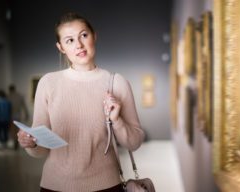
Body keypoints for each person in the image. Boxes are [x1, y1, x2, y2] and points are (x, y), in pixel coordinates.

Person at [17, 12, 145, 192]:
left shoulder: (116, 82)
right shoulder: (48, 83)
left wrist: (117, 121)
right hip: (54, 186)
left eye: (83, 35)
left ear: (94, 36)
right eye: (69, 40)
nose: (78, 45)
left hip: (107, 186)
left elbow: (134, 143)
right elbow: (41, 149)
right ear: (60, 47)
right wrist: (30, 143)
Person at [8, 84, 29, 150]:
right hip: (17, 115)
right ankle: (16, 142)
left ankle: (15, 142)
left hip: (11, 115)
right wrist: (26, 114)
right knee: (16, 129)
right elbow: (24, 106)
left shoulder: (8, 96)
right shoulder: (19, 96)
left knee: (13, 130)